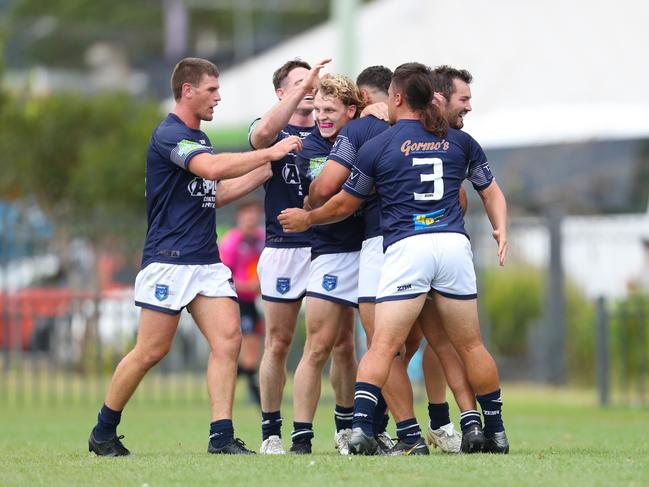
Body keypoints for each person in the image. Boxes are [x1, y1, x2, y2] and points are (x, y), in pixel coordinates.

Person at [280, 62, 509, 455]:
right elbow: (487, 192)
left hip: (405, 247)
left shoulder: (377, 144)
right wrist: (501, 229)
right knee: (467, 345)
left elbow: (342, 202)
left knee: (383, 346)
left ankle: (365, 429)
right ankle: (493, 431)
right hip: (453, 245)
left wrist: (309, 217)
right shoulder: (459, 141)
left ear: (397, 97)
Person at [87, 57, 303, 457]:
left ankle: (221, 436)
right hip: (169, 259)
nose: (218, 98)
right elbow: (213, 169)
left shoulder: (199, 136)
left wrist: (266, 173)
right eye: (212, 90)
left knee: (229, 340)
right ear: (188, 90)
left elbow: (212, 194)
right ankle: (103, 430)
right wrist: (268, 153)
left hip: (205, 262)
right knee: (152, 350)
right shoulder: (169, 134)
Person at [248, 58, 338, 455]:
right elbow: (261, 136)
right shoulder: (270, 130)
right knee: (279, 342)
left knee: (340, 345)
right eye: (302, 83)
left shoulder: (335, 131)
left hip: (328, 248)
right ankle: (271, 432)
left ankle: (342, 429)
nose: (312, 88)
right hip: (284, 250)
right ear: (282, 93)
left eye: (315, 83)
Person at [288, 74, 365, 455]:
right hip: (331, 254)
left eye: (330, 110)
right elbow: (323, 196)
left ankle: (348, 430)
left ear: (351, 110)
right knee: (317, 347)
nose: (321, 117)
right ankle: (301, 437)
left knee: (348, 347)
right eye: (317, 109)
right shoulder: (311, 148)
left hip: (369, 251)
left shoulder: (367, 135)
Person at [219, 200, 266, 406]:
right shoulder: (231, 242)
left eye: (255, 215)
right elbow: (223, 275)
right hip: (238, 302)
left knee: (253, 354)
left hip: (255, 301)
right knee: (251, 352)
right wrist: (248, 285)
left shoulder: (261, 239)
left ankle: (227, 384)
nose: (251, 220)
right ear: (239, 217)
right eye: (247, 215)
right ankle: (255, 396)